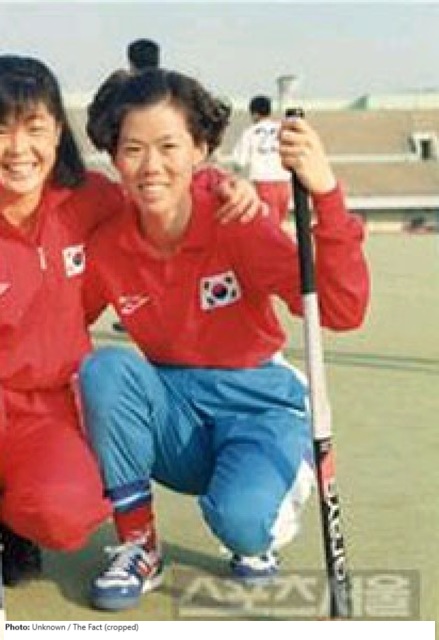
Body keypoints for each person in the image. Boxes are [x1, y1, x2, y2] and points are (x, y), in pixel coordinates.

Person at [78, 67, 370, 611]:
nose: (151, 166)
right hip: (177, 413)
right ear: (113, 157)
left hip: (258, 405)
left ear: (201, 149)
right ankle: (139, 546)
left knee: (242, 523)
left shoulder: (238, 220)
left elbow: (341, 309)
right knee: (106, 370)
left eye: (169, 146)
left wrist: (327, 195)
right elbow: (59, 325)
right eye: (133, 149)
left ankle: (259, 518)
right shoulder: (108, 248)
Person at [0, 54, 262, 587]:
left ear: (58, 131)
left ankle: (13, 523)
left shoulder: (90, 200)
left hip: (45, 409)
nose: (18, 148)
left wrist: (219, 185)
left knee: (69, 512)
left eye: (34, 127)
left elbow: (159, 188)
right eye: (0, 130)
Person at [232, 94, 292, 226]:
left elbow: (239, 162)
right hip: (283, 181)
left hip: (263, 181)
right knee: (280, 223)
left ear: (254, 114)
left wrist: (235, 178)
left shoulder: (250, 132)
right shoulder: (282, 128)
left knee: (270, 223)